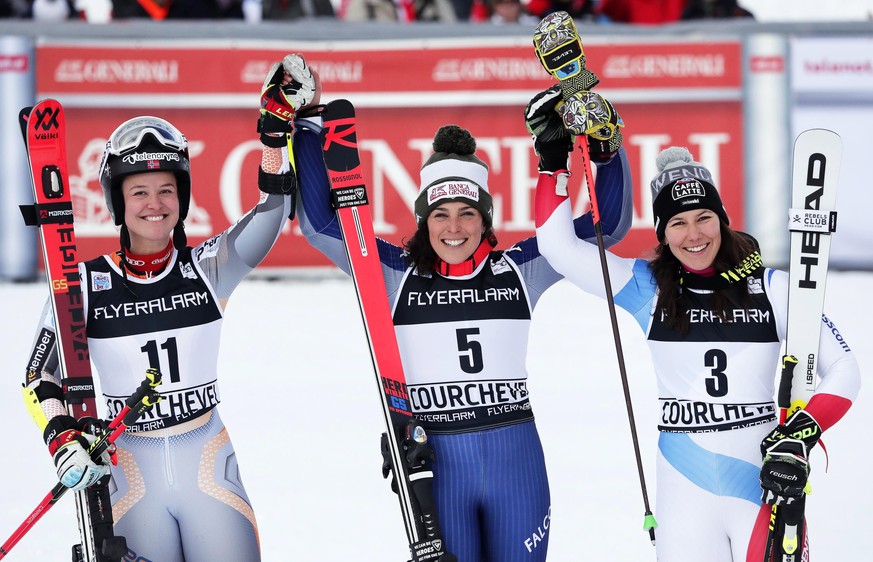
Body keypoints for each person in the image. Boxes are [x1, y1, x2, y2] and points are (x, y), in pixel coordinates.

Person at [290, 91, 632, 560]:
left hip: (517, 465)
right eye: (441, 214)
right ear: (423, 220)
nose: (454, 227)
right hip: (440, 468)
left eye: (467, 213)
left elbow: (605, 226)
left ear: (485, 218)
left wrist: (605, 149)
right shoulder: (392, 272)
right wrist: (305, 126)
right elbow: (321, 226)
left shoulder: (520, 269)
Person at [530, 95, 861, 560]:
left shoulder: (773, 287)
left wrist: (800, 434)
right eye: (678, 223)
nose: (695, 234)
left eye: (705, 217)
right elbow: (558, 247)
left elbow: (844, 367)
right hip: (684, 488)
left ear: (722, 221)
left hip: (762, 477)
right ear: (663, 233)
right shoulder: (647, 289)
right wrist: (552, 164)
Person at [22, 53, 317, 561]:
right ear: (117, 203)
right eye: (139, 192)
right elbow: (37, 377)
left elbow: (270, 215)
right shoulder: (83, 282)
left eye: (166, 189)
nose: (154, 203)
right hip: (128, 470)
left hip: (207, 459)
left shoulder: (208, 267)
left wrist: (273, 137)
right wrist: (62, 439)